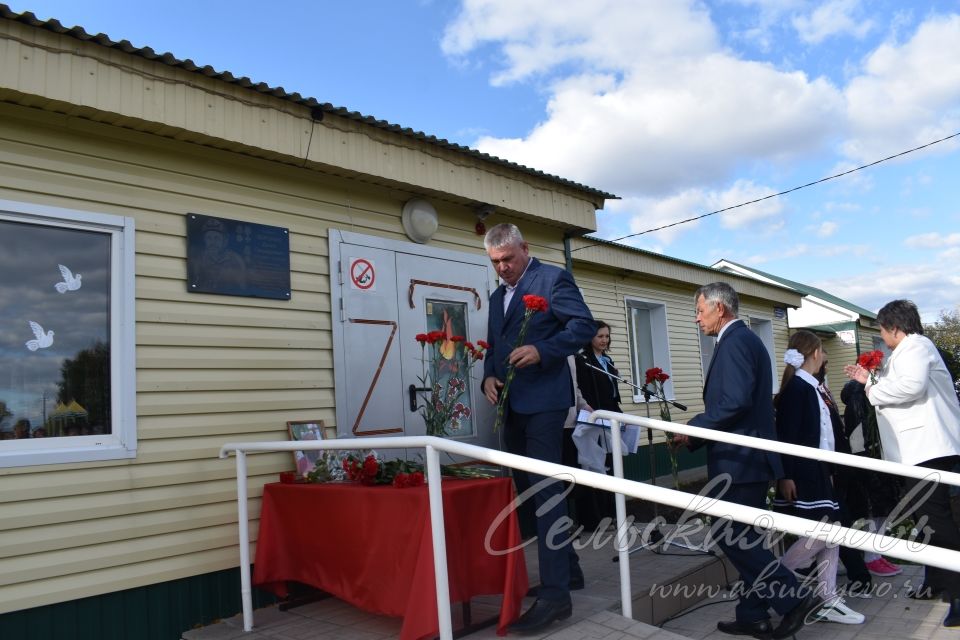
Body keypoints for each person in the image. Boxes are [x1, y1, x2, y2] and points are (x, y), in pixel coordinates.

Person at [674, 282, 822, 639]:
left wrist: (692, 430)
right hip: (748, 458)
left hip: (741, 461)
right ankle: (752, 613)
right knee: (744, 538)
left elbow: (735, 402)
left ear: (719, 309)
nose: (696, 319)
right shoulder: (744, 340)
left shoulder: (737, 341)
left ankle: (794, 597)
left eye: (699, 311)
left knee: (732, 536)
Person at [481, 223, 596, 634]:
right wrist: (487, 378)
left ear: (525, 249)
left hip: (545, 403)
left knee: (546, 493)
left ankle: (556, 597)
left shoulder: (552, 279)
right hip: (511, 405)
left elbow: (582, 326)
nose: (503, 268)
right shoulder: (497, 297)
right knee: (530, 494)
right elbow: (494, 345)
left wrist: (542, 350)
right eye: (496, 262)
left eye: (509, 259)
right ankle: (568, 569)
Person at [844, 299, 960, 627]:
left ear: (895, 328)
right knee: (926, 518)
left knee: (935, 519)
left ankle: (958, 592)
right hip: (918, 448)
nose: (882, 338)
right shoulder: (908, 351)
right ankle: (937, 582)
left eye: (882, 331)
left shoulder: (917, 346)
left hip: (928, 446)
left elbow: (911, 387)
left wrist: (870, 384)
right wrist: (874, 377)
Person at [772, 332, 864, 624]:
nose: (825, 356)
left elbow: (825, 435)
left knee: (832, 534)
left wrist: (833, 470)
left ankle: (828, 598)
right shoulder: (797, 389)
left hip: (821, 470)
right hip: (804, 472)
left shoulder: (812, 387)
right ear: (813, 352)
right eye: (823, 350)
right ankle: (769, 580)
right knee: (825, 534)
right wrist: (785, 476)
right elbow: (787, 436)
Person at [839, 378, 905, 582]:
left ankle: (874, 554)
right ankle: (871, 555)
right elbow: (858, 436)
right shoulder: (859, 397)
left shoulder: (865, 395)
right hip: (869, 463)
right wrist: (868, 462)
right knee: (874, 510)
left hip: (875, 459)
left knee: (879, 510)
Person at [572, 321, 620, 530]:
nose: (604, 340)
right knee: (594, 466)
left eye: (607, 336)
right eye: (600, 336)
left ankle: (611, 512)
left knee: (612, 464)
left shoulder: (607, 361)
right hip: (592, 416)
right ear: (590, 337)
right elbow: (583, 389)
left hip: (611, 417)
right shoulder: (583, 361)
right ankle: (594, 518)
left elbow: (612, 391)